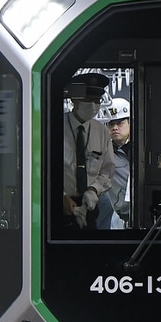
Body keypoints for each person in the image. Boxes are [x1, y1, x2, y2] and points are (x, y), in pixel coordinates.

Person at [61, 72, 116, 232]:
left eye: (97, 100)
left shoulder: (101, 131)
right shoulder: (54, 126)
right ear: (74, 100)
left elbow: (107, 170)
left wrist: (94, 190)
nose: (93, 105)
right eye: (88, 100)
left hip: (90, 208)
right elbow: (40, 168)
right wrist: (61, 196)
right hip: (59, 207)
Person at [99, 97, 132, 228]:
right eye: (111, 124)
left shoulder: (145, 148)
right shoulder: (102, 153)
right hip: (122, 218)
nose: (115, 128)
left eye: (120, 122)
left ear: (130, 122)